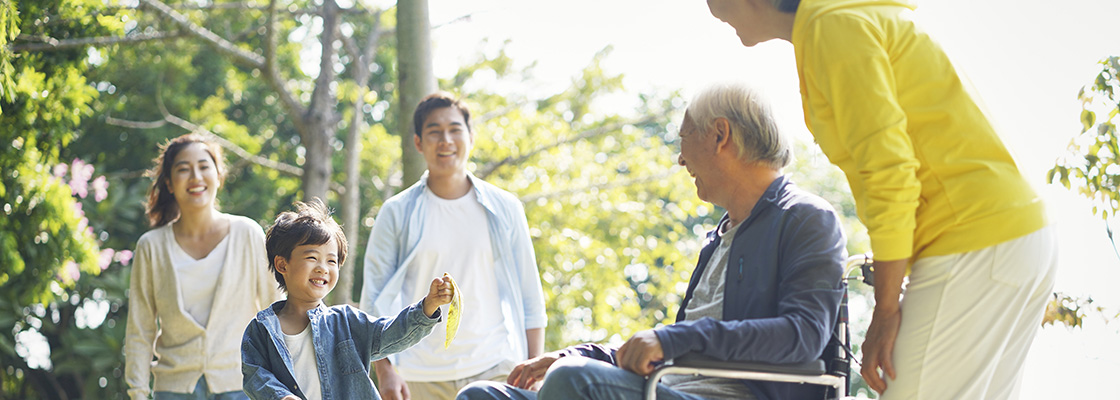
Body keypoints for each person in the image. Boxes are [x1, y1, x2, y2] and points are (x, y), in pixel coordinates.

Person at [703, 1, 1059, 399]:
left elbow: (889, 173)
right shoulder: (844, 20)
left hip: (972, 239)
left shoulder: (833, 27)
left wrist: (886, 308)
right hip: (1013, 237)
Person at [457, 83, 847, 400]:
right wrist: (571, 354)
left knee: (574, 381)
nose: (680, 159)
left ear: (720, 135)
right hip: (666, 389)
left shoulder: (806, 218)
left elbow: (803, 335)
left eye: (684, 138)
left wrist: (669, 339)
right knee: (482, 397)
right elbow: (662, 348)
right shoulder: (720, 238)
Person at [360, 92, 548, 400]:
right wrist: (386, 370)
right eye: (434, 131)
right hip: (417, 374)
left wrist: (533, 369)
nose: (445, 140)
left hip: (495, 368)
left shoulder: (505, 208)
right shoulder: (396, 212)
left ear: (471, 137)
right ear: (419, 143)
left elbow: (530, 295)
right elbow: (373, 298)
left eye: (455, 129)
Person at [241, 199, 455, 400]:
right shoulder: (261, 328)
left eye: (331, 261)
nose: (322, 268)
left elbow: (391, 334)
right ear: (282, 265)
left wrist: (427, 306)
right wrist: (280, 396)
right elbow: (254, 375)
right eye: (312, 257)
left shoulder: (346, 321)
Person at [124, 134, 284, 400]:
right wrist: (139, 393)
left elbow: (277, 311)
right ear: (169, 184)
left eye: (204, 166)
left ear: (219, 175)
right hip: (172, 389)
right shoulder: (151, 246)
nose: (195, 176)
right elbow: (140, 330)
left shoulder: (247, 234)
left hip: (243, 385)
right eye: (183, 170)